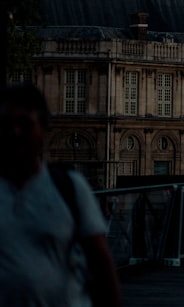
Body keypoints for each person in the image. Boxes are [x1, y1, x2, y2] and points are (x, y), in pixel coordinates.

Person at [0, 84, 122, 307]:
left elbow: (101, 264)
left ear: (44, 130)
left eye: (25, 124)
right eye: (6, 124)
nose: (14, 132)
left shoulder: (70, 187)